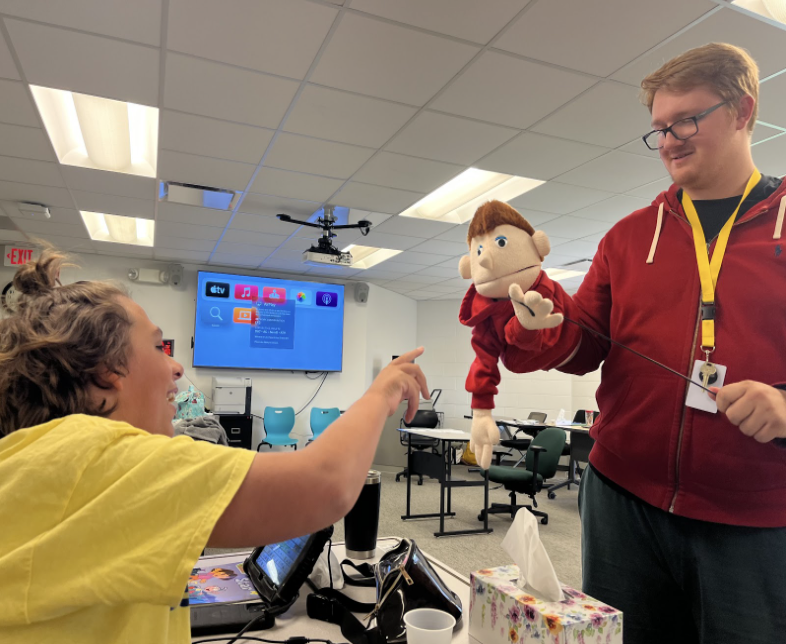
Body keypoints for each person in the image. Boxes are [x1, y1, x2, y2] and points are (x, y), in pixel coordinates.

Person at [491, 43, 786, 643]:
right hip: (623, 497)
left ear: (742, 111)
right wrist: (537, 327)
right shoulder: (628, 237)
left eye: (686, 121)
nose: (670, 140)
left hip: (754, 515)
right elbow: (582, 346)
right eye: (659, 128)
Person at [0, 248, 429, 643]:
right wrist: (380, 394)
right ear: (108, 369)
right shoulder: (107, 460)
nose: (175, 365)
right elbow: (328, 484)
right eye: (157, 346)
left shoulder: (32, 461)